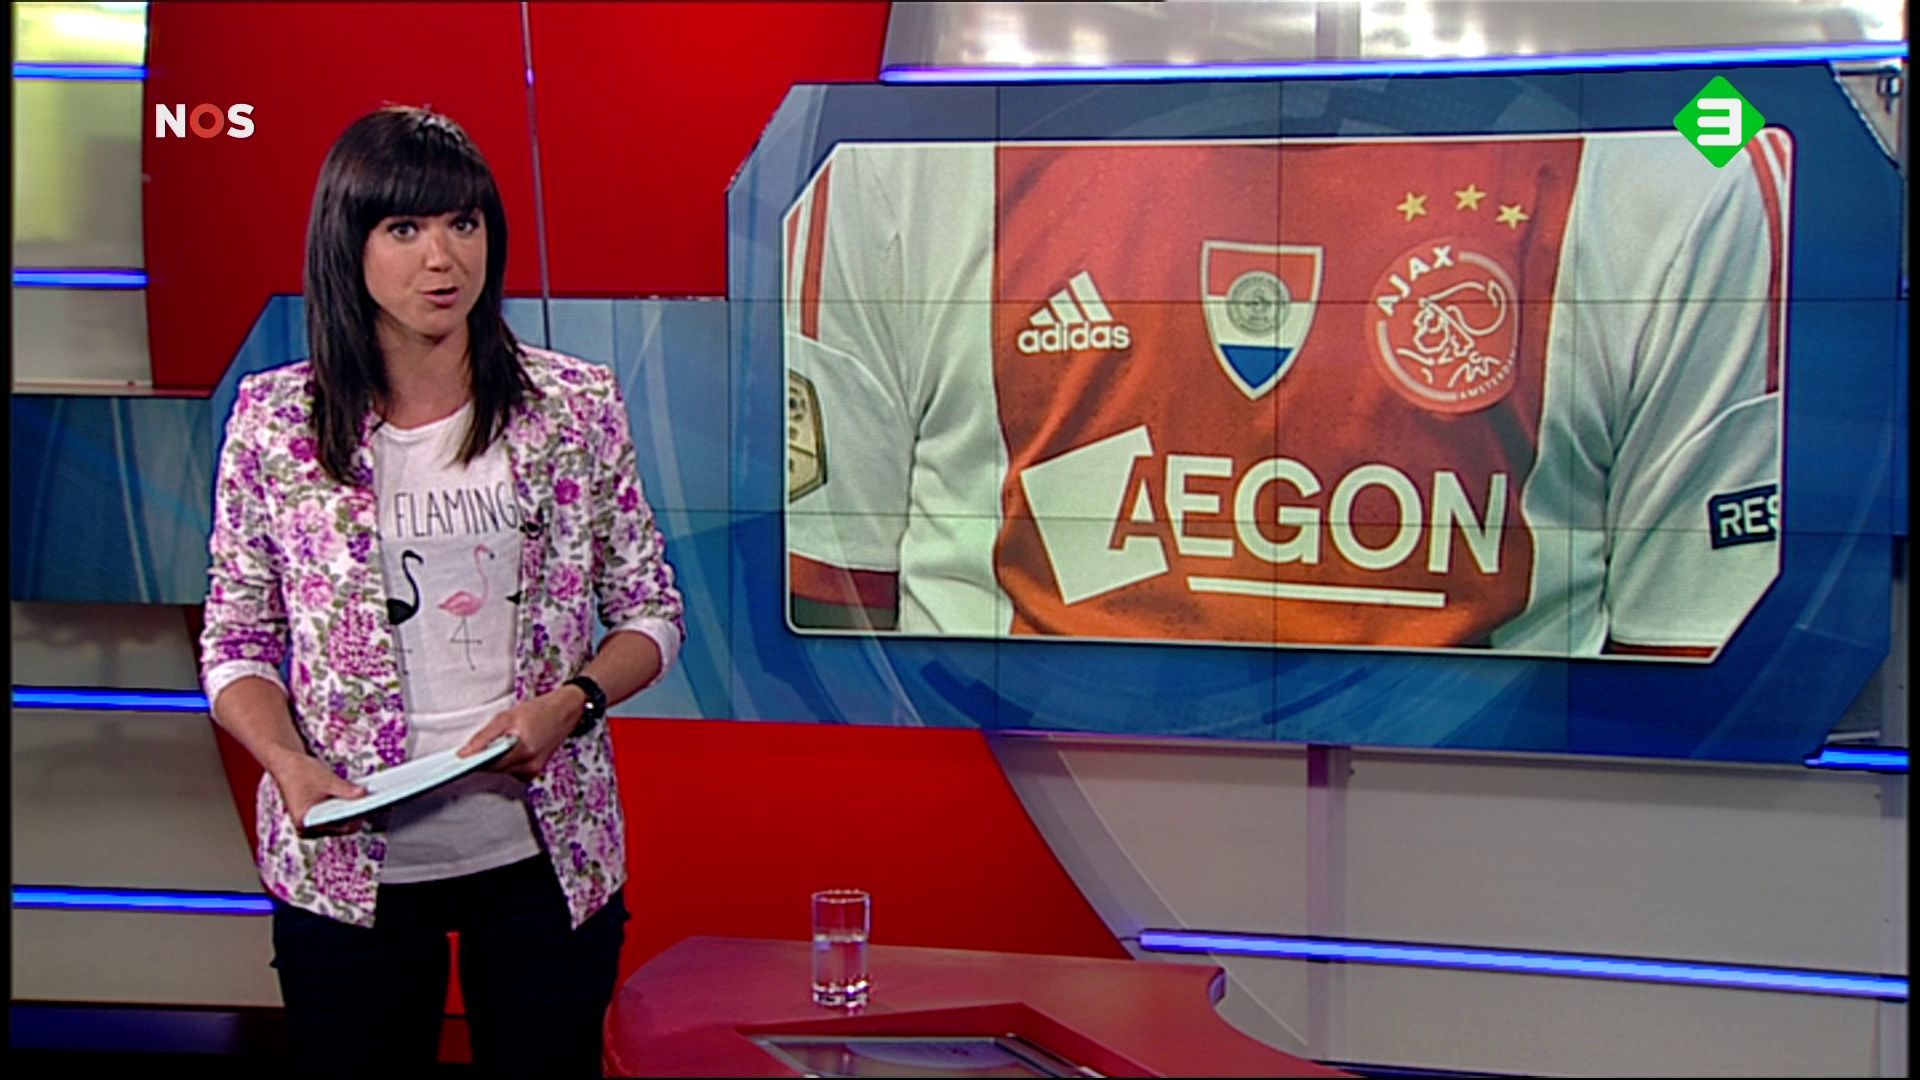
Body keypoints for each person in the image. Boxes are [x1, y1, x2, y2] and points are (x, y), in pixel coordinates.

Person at [782, 128, 1790, 661]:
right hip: (1019, 857)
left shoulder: (1685, 176)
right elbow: (827, 620)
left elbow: (1693, 666)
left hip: (1489, 861)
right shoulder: (893, 155)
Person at [199, 105, 684, 1076]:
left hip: (546, 855)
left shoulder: (573, 406)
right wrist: (285, 762)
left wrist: (572, 703)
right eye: (405, 228)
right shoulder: (274, 421)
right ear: (349, 244)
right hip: (348, 865)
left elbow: (650, 611)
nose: (441, 258)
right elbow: (236, 639)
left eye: (463, 223)